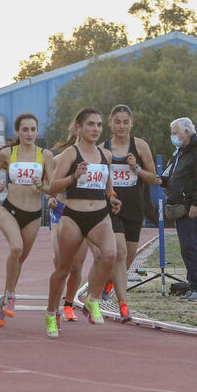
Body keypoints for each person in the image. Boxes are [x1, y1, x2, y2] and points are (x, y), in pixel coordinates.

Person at [45, 107, 121, 338]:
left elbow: (108, 184)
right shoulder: (70, 154)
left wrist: (112, 197)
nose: (96, 129)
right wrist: (73, 177)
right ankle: (51, 312)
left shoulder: (105, 155)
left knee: (109, 255)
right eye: (91, 124)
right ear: (79, 127)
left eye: (99, 125)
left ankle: (92, 299)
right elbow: (53, 187)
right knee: (64, 268)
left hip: (99, 214)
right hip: (74, 215)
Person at [0, 114, 54, 327]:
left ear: (37, 131)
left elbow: (51, 186)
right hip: (10, 210)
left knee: (19, 260)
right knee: (16, 249)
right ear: (17, 132)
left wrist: (42, 186)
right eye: (25, 129)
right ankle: (11, 295)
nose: (29, 134)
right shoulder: (8, 153)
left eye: (33, 129)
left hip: (34, 214)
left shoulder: (46, 156)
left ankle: (3, 298)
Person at [99, 105, 159, 321]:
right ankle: (123, 304)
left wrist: (137, 169)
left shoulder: (140, 146)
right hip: (111, 207)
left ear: (131, 123)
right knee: (120, 251)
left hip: (134, 207)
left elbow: (155, 179)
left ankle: (110, 281)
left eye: (125, 122)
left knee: (129, 256)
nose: (121, 126)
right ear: (110, 123)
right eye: (117, 121)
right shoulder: (103, 148)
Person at [159, 117, 197, 303]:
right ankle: (193, 286)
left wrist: (196, 203)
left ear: (187, 132)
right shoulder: (180, 153)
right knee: (186, 248)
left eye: (175, 133)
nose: (173, 137)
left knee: (191, 247)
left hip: (191, 208)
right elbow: (171, 176)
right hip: (180, 208)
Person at [48, 193, 89, 322]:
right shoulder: (60, 171)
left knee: (76, 266)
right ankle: (54, 309)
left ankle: (68, 305)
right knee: (61, 262)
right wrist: (49, 197)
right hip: (61, 209)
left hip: (83, 211)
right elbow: (48, 181)